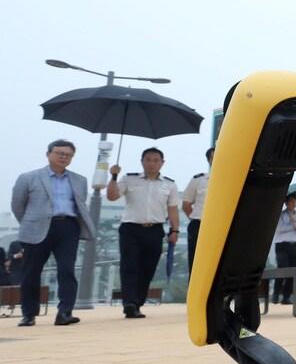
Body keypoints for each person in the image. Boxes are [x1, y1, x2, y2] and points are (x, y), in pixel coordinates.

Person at [10, 139, 97, 326]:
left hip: (67, 227)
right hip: (37, 227)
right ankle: (29, 314)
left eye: (68, 155)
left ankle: (65, 312)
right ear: (49, 154)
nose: (64, 157)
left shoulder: (79, 180)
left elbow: (80, 205)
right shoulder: (28, 177)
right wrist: (28, 222)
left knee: (67, 269)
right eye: (60, 153)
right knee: (31, 272)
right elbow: (18, 205)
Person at [107, 147, 180, 318]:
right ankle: (129, 303)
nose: (152, 163)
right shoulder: (129, 179)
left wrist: (175, 230)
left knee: (148, 268)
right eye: (148, 159)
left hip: (154, 230)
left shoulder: (169, 184)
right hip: (130, 229)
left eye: (156, 160)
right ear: (142, 161)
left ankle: (138, 302)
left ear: (162, 163)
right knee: (129, 266)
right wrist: (114, 177)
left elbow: (173, 209)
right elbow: (112, 196)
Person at [182, 147, 215, 272]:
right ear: (209, 161)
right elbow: (186, 205)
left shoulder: (235, 180)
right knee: (197, 265)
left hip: (223, 227)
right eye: (213, 157)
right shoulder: (198, 180)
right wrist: (198, 219)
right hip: (200, 225)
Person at [271, 193, 296, 305]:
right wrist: (293, 225)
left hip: (295, 245)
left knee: (292, 271)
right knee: (282, 269)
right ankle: (276, 294)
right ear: (286, 203)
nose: (293, 203)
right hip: (282, 245)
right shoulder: (281, 215)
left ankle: (286, 297)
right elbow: (279, 229)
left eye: (295, 201)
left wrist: (294, 222)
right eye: (291, 201)